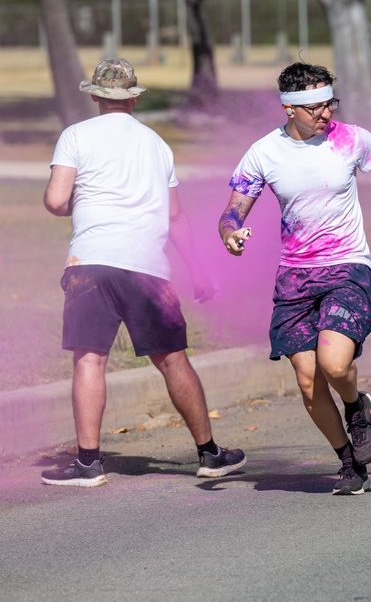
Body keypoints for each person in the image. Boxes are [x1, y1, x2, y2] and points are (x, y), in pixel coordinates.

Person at [218, 62, 371, 495]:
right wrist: (230, 234)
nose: (325, 114)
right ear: (288, 109)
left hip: (347, 267)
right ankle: (349, 461)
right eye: (315, 107)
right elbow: (232, 211)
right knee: (307, 379)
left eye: (330, 103)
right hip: (296, 278)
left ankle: (357, 408)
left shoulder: (352, 139)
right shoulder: (264, 153)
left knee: (335, 365)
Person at [41, 57, 246, 487]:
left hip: (90, 263)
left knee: (90, 359)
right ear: (133, 97)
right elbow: (176, 217)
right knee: (172, 360)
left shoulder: (75, 136)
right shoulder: (157, 145)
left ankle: (88, 464)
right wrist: (200, 273)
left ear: (95, 95)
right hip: (149, 268)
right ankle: (209, 454)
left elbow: (57, 202)